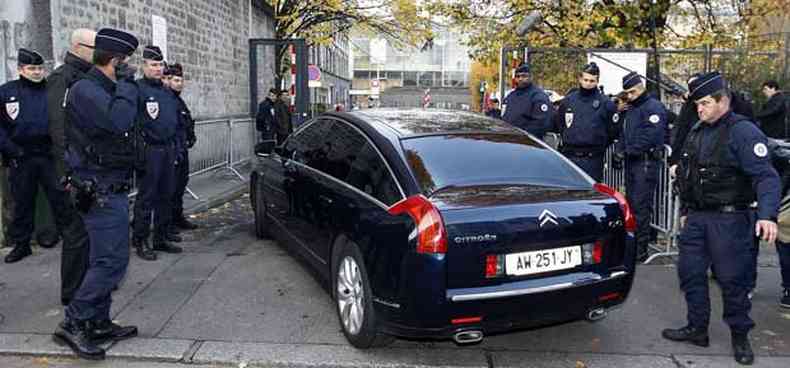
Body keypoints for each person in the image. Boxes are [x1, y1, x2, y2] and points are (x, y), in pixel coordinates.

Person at [664, 71, 780, 366]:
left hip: (730, 221)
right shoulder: (697, 130)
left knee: (732, 281)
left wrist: (767, 215)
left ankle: (740, 335)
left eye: (704, 103)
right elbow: (690, 177)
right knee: (690, 274)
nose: (699, 110)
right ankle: (697, 328)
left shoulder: (743, 132)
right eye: (696, 105)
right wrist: (687, 212)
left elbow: (766, 177)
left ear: (723, 100)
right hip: (698, 219)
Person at [54, 27, 141, 360]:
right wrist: (130, 85)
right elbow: (118, 121)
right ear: (116, 61)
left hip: (111, 185)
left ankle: (98, 321)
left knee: (107, 258)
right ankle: (74, 321)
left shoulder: (101, 88)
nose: (128, 69)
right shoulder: (85, 91)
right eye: (125, 63)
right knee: (111, 261)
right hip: (99, 189)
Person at [0, 48, 71, 264]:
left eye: (40, 68)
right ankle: (22, 245)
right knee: (22, 202)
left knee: (60, 198)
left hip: (49, 154)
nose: (37, 72)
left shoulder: (51, 89)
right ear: (20, 69)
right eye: (32, 68)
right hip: (21, 156)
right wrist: (12, 150)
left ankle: (70, 239)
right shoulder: (6, 91)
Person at [45, 29, 96, 305]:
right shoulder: (61, 79)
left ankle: (87, 290)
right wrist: (67, 173)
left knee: (90, 235)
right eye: (93, 47)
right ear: (78, 47)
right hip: (71, 172)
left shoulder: (87, 78)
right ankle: (73, 296)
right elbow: (58, 129)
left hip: (88, 169)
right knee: (76, 236)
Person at [131, 45, 182, 261]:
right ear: (144, 65)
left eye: (160, 64)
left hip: (168, 149)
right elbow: (131, 123)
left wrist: (177, 148)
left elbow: (174, 123)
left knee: (166, 195)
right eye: (153, 64)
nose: (158, 68)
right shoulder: (137, 89)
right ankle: (141, 239)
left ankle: (161, 237)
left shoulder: (166, 91)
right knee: (146, 198)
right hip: (149, 150)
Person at [614, 71, 668, 262]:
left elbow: (650, 136)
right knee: (633, 204)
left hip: (645, 162)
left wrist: (627, 150)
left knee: (640, 206)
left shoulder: (653, 108)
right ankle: (634, 244)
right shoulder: (633, 109)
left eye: (632, 92)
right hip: (634, 162)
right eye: (627, 93)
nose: (629, 96)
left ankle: (640, 248)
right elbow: (624, 132)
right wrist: (620, 150)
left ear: (641, 87)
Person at [551, 62, 618, 181]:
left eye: (592, 81)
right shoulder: (569, 101)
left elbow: (612, 132)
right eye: (585, 80)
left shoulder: (605, 103)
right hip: (570, 157)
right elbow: (560, 124)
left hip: (593, 159)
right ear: (580, 79)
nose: (588, 84)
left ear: (597, 81)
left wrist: (597, 144)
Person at [165, 63, 198, 231]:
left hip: (182, 149)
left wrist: (190, 138)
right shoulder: (168, 100)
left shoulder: (178, 100)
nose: (179, 83)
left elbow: (185, 123)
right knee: (171, 188)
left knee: (180, 186)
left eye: (181, 80)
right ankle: (168, 222)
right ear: (168, 80)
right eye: (176, 80)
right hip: (173, 151)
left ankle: (177, 217)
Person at [502, 63, 552, 139]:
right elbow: (503, 118)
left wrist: (520, 134)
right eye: (518, 76)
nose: (520, 79)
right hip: (509, 140)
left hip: (529, 142)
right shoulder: (510, 96)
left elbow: (541, 124)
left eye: (524, 76)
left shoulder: (538, 96)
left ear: (531, 77)